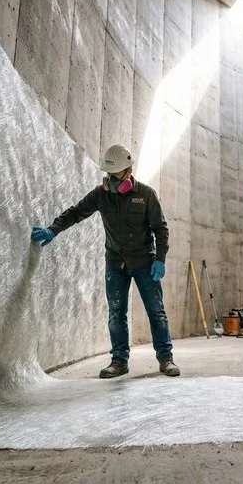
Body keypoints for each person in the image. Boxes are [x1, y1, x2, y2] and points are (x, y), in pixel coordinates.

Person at [31, 144, 180, 379]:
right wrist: (53, 230)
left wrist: (159, 259)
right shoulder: (101, 195)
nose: (110, 179)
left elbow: (160, 229)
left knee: (156, 311)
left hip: (144, 263)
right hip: (115, 264)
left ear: (128, 172)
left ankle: (166, 359)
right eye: (108, 175)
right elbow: (75, 213)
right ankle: (119, 361)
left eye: (115, 175)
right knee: (116, 313)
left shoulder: (146, 195)